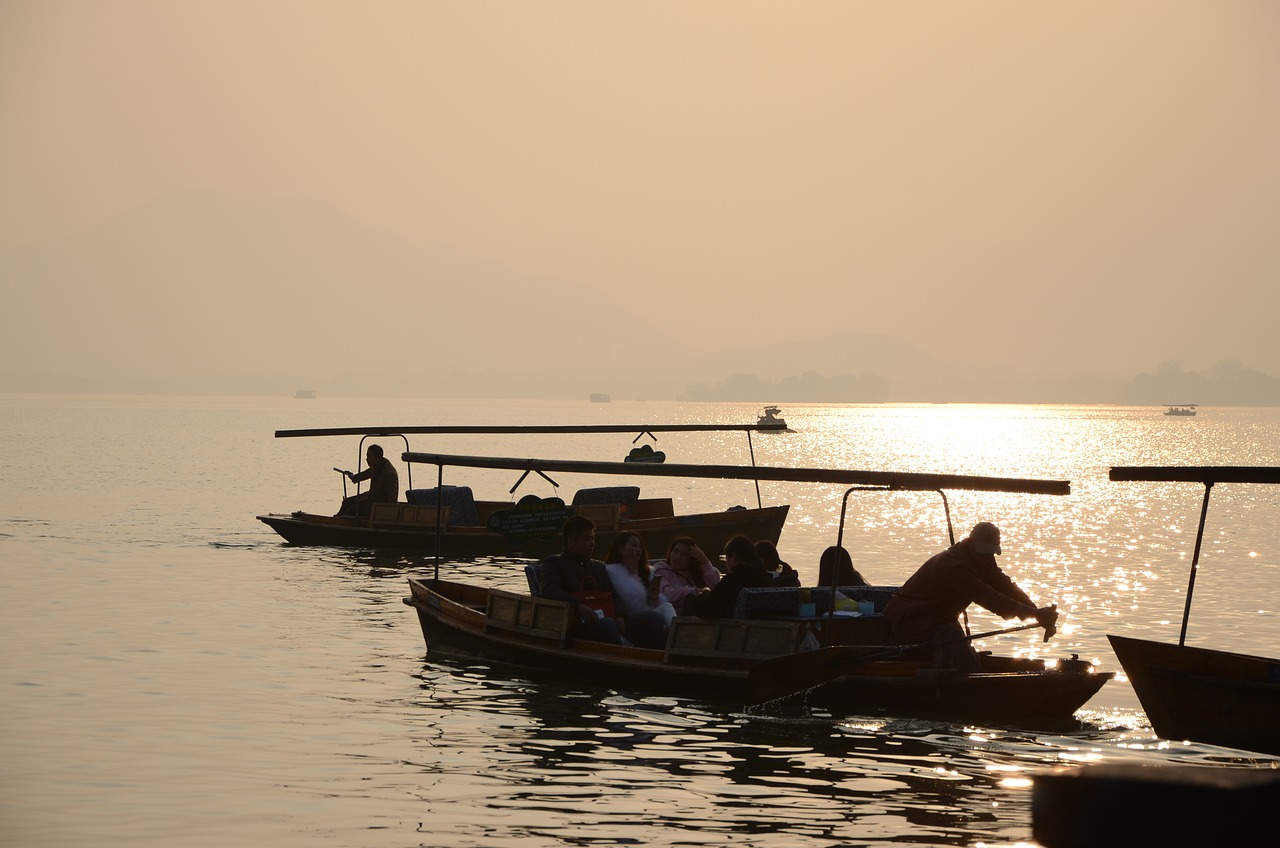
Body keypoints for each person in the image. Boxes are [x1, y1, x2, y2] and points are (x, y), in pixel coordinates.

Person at [882, 522, 1059, 672]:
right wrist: (1034, 614)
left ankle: (968, 668)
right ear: (971, 542)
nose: (986, 557)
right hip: (909, 618)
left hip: (938, 616)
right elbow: (988, 597)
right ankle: (976, 680)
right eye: (983, 552)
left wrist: (1037, 611)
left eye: (990, 553)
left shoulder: (984, 558)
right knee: (952, 636)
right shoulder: (955, 566)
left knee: (957, 639)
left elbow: (1004, 586)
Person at [537, 515, 624, 645]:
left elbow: (612, 593)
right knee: (608, 624)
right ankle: (623, 659)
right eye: (587, 539)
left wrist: (620, 615)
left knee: (651, 619)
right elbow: (549, 590)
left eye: (593, 539)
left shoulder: (598, 567)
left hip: (604, 619)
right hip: (573, 626)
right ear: (571, 542)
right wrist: (577, 605)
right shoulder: (554, 563)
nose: (592, 544)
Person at [602, 531, 675, 649]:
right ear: (620, 548)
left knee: (666, 607)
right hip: (627, 619)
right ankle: (680, 639)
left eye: (640, 546)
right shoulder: (611, 572)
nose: (637, 549)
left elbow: (650, 605)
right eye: (633, 545)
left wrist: (655, 598)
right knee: (661, 613)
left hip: (647, 614)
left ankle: (680, 639)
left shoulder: (647, 573)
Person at [688, 534, 775, 619]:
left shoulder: (733, 580)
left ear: (733, 556)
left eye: (727, 558)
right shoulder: (766, 579)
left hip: (735, 630)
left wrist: (702, 594)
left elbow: (702, 609)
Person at [650, 536, 722, 615]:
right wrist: (691, 591)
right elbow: (667, 595)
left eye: (683, 554)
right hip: (667, 617)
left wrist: (705, 562)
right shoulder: (660, 569)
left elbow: (718, 589)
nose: (677, 557)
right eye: (675, 552)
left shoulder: (695, 574)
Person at [337, 444, 400, 517]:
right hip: (370, 498)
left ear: (377, 457)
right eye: (367, 456)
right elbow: (365, 474)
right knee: (346, 502)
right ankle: (336, 519)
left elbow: (392, 497)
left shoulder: (389, 474)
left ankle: (344, 523)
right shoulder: (377, 466)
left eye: (369, 456)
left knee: (349, 511)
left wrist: (388, 513)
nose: (367, 459)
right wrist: (354, 477)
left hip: (377, 505)